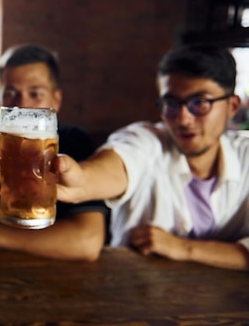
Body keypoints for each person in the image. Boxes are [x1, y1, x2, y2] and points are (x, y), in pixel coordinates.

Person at [57, 44, 249, 271]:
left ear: (232, 106)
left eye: (200, 103)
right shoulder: (146, 140)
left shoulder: (245, 155)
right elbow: (120, 162)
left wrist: (182, 248)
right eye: (171, 104)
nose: (183, 119)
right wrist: (82, 182)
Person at [0, 44, 109, 261]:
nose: (22, 105)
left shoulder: (74, 141)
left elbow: (87, 242)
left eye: (35, 94)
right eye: (11, 93)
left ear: (56, 100)